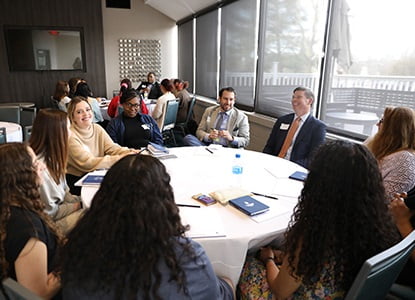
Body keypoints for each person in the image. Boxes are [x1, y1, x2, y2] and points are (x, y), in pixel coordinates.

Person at [238, 140, 400, 299]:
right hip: (337, 290)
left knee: (246, 262)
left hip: (296, 292)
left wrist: (269, 259)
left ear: (318, 184)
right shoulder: (374, 224)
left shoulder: (316, 233)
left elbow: (281, 291)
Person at [61, 154, 234, 299]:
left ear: (103, 198)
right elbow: (216, 294)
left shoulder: (78, 248)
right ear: (164, 201)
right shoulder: (188, 257)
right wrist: (228, 284)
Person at [0, 143, 63, 299]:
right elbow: (38, 293)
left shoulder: (8, 208)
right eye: (35, 163)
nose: (41, 166)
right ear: (21, 175)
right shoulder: (29, 229)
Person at [66, 97, 137, 195]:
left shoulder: (97, 128)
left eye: (87, 109)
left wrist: (129, 152)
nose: (86, 114)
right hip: (78, 181)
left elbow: (112, 148)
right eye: (79, 112)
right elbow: (88, 163)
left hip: (97, 174)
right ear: (72, 117)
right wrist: (120, 158)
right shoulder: (70, 136)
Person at [29, 109, 84, 234]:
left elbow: (65, 193)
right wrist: (80, 205)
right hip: (48, 226)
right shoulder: (40, 169)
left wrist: (80, 201)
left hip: (57, 213)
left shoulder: (54, 158)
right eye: (68, 129)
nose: (71, 133)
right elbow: (50, 213)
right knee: (93, 215)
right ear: (57, 134)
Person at [263, 86, 326, 168]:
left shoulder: (318, 127)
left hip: (295, 168)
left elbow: (313, 159)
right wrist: (266, 161)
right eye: (293, 97)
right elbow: (269, 146)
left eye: (299, 97)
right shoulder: (282, 120)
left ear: (309, 101)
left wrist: (289, 166)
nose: (294, 100)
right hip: (274, 164)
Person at [366, 106, 415, 201]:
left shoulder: (404, 160)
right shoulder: (382, 147)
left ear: (393, 128)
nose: (377, 124)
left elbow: (383, 201)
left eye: (382, 121)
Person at [183, 87, 250, 148]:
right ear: (219, 99)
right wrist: (208, 136)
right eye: (225, 99)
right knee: (188, 138)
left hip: (228, 149)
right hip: (209, 146)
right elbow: (199, 131)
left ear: (234, 100)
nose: (228, 102)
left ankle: (208, 156)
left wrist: (231, 138)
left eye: (231, 99)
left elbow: (246, 140)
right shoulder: (209, 111)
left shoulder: (241, 117)